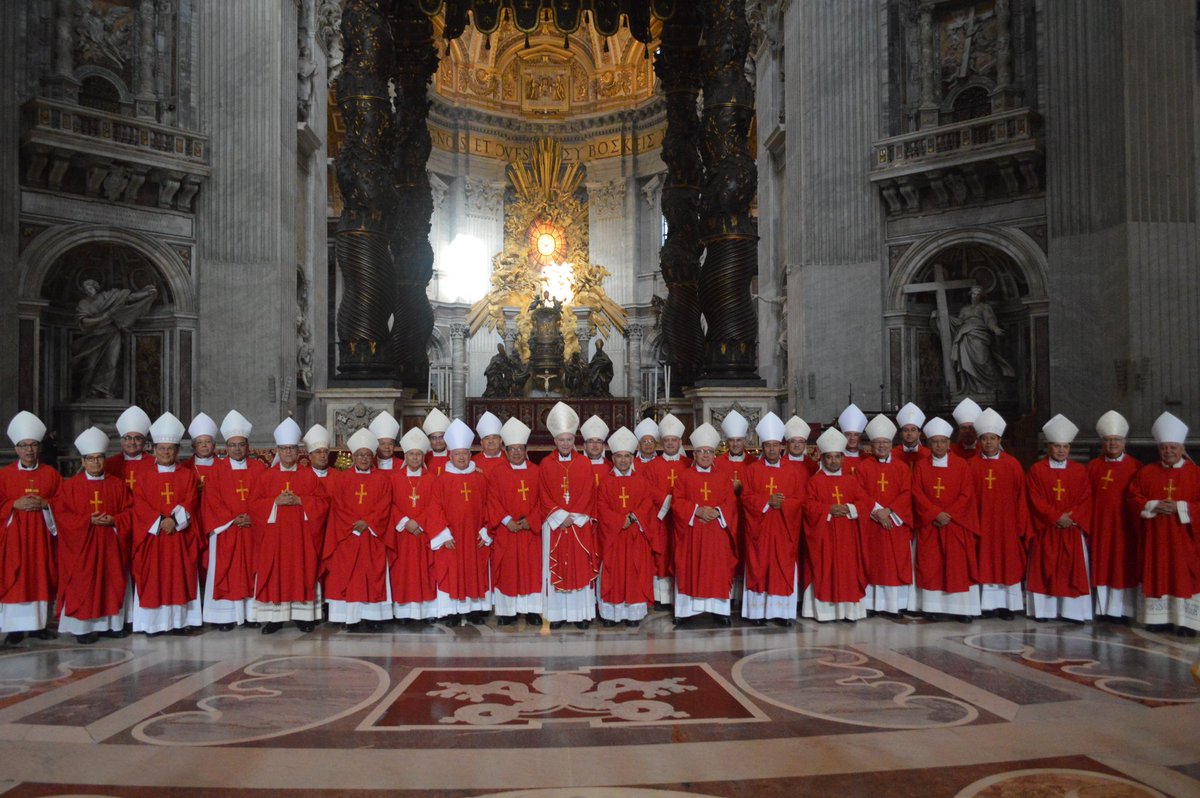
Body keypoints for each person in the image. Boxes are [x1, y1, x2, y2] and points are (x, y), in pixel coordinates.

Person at [54, 426, 132, 643]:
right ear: (83, 461)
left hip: (110, 544)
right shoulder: (71, 486)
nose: (96, 462)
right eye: (91, 459)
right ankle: (83, 629)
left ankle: (111, 625)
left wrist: (115, 520)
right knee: (84, 583)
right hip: (82, 547)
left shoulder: (117, 485)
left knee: (111, 582)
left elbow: (130, 511)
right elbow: (61, 515)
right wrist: (86, 520)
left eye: (99, 458)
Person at [250, 418, 329, 634]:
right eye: (284, 449)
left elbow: (323, 503)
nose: (288, 452)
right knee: (276, 572)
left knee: (301, 570)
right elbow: (254, 505)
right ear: (277, 450)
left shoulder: (308, 475)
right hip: (274, 540)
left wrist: (301, 500)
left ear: (298, 451)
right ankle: (275, 619)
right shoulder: (266, 477)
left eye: (292, 448)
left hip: (301, 539)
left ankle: (303, 618)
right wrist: (274, 502)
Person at [130, 413, 202, 635]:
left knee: (180, 576)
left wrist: (174, 520)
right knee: (154, 577)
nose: (166, 453)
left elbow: (191, 500)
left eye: (170, 449)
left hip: (179, 537)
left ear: (177, 451)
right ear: (154, 450)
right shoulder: (144, 476)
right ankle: (153, 624)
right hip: (154, 538)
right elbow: (140, 504)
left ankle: (179, 622)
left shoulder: (187, 475)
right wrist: (162, 520)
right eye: (162, 449)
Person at [1129, 412, 1199, 637]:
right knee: (1157, 571)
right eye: (1164, 447)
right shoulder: (1146, 472)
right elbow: (1132, 498)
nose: (1168, 451)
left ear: (1182, 448)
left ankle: (1186, 623)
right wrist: (1153, 505)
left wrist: (1180, 507)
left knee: (1183, 576)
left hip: (1184, 538)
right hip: (1156, 537)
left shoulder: (1195, 474)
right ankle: (1158, 620)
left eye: (1173, 447)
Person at [322, 428, 394, 632]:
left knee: (373, 573)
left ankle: (373, 617)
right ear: (353, 457)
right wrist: (355, 524)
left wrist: (368, 522)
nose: (363, 458)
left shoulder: (382, 479)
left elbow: (385, 504)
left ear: (373, 457)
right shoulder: (342, 479)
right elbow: (338, 506)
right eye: (360, 455)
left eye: (367, 455)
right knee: (348, 574)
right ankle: (349, 618)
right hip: (348, 535)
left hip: (372, 535)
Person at [911, 416, 980, 623]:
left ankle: (962, 609)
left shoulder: (961, 465)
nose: (939, 445)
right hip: (931, 525)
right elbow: (917, 492)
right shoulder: (921, 466)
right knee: (931, 566)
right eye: (935, 442)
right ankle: (932, 608)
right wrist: (935, 513)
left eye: (942, 441)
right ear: (928, 443)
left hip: (955, 524)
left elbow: (967, 493)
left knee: (956, 566)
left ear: (949, 443)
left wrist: (949, 514)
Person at [1025, 414, 1093, 623]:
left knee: (1071, 570)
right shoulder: (1037, 470)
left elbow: (1086, 498)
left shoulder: (1079, 471)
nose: (1061, 450)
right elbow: (1034, 498)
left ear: (1069, 448)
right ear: (1049, 447)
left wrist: (1072, 517)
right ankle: (1044, 612)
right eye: (1056, 446)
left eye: (1065, 446)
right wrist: (1055, 517)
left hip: (1071, 529)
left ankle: (1073, 612)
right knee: (1044, 567)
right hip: (1047, 529)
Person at [0, 411, 61, 645]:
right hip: (14, 539)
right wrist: (13, 504)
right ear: (16, 449)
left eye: (33, 445)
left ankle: (39, 626)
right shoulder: (4, 475)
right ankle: (15, 629)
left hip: (41, 537)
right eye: (24, 446)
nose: (29, 450)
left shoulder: (50, 474)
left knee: (41, 576)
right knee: (17, 579)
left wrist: (47, 504)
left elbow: (63, 503)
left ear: (39, 447)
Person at [202, 410, 265, 630]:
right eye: (232, 445)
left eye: (241, 445)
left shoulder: (259, 469)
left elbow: (265, 497)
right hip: (226, 531)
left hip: (253, 530)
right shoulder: (216, 471)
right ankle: (225, 617)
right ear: (225, 447)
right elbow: (211, 501)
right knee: (227, 570)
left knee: (252, 569)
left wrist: (252, 516)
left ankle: (252, 615)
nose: (237, 449)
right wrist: (232, 519)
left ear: (248, 446)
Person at [538, 402, 600, 629]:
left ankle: (580, 615)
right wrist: (559, 516)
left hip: (578, 525)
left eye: (569, 439)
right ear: (555, 441)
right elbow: (543, 494)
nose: (565, 443)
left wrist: (572, 516)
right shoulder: (546, 464)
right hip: (555, 525)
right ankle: (557, 615)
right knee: (557, 568)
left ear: (575, 440)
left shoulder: (584, 463)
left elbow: (589, 493)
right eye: (561, 439)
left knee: (579, 568)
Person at [740, 412, 805, 626]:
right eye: (768, 445)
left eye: (775, 445)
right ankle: (757, 613)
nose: (772, 449)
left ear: (781, 447)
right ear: (762, 447)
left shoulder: (792, 471)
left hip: (784, 530)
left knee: (782, 566)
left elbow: (800, 499)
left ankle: (782, 613)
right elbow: (746, 498)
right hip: (760, 530)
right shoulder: (752, 470)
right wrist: (767, 501)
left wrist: (783, 504)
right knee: (759, 565)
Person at [671, 423, 738, 627]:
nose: (705, 455)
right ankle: (686, 611)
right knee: (690, 567)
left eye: (709, 451)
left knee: (717, 569)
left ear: (714, 454)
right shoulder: (684, 476)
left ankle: (719, 611)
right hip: (693, 531)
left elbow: (730, 502)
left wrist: (717, 511)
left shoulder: (723, 477)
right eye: (701, 451)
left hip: (717, 531)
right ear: (695, 454)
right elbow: (677, 502)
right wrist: (697, 510)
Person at [802, 427, 869, 622]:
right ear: (822, 458)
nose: (833, 461)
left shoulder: (851, 481)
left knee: (848, 571)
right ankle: (825, 613)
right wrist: (828, 509)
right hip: (824, 536)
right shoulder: (815, 481)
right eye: (829, 457)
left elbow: (864, 503)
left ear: (843, 458)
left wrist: (849, 508)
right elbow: (808, 506)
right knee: (825, 569)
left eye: (837, 457)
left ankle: (849, 612)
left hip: (848, 537)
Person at [429, 419, 492, 625]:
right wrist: (443, 535)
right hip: (452, 537)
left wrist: (485, 531)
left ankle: (474, 611)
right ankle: (452, 612)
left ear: (470, 455)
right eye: (457, 454)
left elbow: (489, 505)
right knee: (452, 570)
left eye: (465, 453)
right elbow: (434, 509)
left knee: (475, 570)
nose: (462, 457)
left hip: (475, 536)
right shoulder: (442, 480)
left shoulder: (480, 479)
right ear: (451, 456)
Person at [968, 408, 1029, 620]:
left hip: (1006, 526)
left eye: (992, 438)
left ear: (999, 440)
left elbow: (1021, 497)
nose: (988, 442)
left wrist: (1019, 525)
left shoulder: (1012, 465)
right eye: (984, 438)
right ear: (979, 441)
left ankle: (1006, 606)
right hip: (981, 523)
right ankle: (985, 605)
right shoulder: (971, 465)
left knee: (1006, 563)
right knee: (983, 561)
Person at [595, 427, 658, 627]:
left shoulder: (641, 481)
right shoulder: (606, 482)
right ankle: (611, 614)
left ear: (632, 458)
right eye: (619, 456)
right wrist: (619, 520)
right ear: (613, 458)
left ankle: (633, 614)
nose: (623, 460)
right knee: (613, 572)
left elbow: (647, 503)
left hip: (635, 535)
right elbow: (601, 507)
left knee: (635, 571)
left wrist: (632, 517)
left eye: (627, 456)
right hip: (614, 537)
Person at [486, 417, 543, 626]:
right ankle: (508, 612)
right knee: (508, 571)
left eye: (520, 448)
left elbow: (544, 501)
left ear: (526, 450)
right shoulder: (497, 473)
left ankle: (532, 611)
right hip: (507, 531)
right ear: (506, 450)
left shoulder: (537, 471)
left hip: (530, 532)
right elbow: (491, 499)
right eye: (512, 449)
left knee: (531, 570)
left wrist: (531, 520)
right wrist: (506, 520)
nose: (516, 452)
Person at [856, 413, 914, 617]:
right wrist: (877, 512)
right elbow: (859, 493)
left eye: (885, 442)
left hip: (894, 523)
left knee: (894, 563)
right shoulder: (863, 467)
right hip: (873, 523)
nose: (881, 446)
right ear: (871, 445)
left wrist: (889, 511)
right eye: (877, 442)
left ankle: (894, 605)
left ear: (891, 444)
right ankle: (872, 604)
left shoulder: (901, 467)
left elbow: (906, 492)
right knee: (874, 562)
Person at [1087, 410, 1140, 623]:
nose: (1112, 444)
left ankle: (1124, 611)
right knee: (1102, 565)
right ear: (1102, 443)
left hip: (1124, 527)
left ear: (1124, 443)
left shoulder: (1135, 467)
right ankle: (1103, 609)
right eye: (1108, 440)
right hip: (1100, 526)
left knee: (1122, 566)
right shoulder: (1093, 466)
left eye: (1116, 440)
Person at [387, 427, 440, 625]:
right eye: (411, 454)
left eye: (418, 454)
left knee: (425, 571)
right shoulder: (394, 478)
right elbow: (389, 504)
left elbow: (436, 505)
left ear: (423, 456)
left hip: (424, 534)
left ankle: (426, 612)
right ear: (405, 456)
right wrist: (405, 522)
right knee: (403, 572)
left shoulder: (432, 478)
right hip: (402, 534)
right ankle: (403, 613)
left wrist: (420, 522)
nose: (415, 458)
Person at [70, 279, 157, 399]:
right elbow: (84, 322)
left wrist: (146, 293)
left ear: (96, 287)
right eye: (85, 290)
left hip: (113, 333)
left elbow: (129, 298)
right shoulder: (83, 303)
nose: (88, 291)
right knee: (90, 365)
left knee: (111, 362)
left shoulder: (109, 296)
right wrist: (103, 318)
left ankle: (103, 389)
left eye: (90, 288)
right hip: (94, 336)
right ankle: (85, 391)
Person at [643, 413, 690, 609]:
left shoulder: (688, 465)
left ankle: (681, 593)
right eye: (667, 440)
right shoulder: (652, 466)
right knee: (662, 553)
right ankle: (662, 597)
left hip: (684, 520)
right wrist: (670, 501)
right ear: (662, 442)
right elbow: (647, 489)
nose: (670, 443)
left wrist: (680, 504)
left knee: (681, 553)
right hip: (660, 518)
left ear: (680, 442)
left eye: (674, 440)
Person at [946, 285, 1014, 396]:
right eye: (974, 293)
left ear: (981, 296)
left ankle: (991, 387)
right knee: (967, 362)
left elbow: (990, 320)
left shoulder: (984, 307)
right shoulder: (964, 309)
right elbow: (959, 322)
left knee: (982, 360)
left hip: (979, 335)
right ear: (970, 294)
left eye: (978, 294)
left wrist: (995, 329)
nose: (975, 296)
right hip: (965, 336)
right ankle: (974, 387)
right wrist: (944, 317)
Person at [105, 405, 152, 492]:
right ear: (121, 441)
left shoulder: (153, 463)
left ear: (144, 441)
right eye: (128, 438)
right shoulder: (109, 464)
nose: (132, 442)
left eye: (137, 438)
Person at [892, 402, 931, 470]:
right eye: (906, 430)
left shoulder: (927, 453)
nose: (909, 433)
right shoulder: (893, 453)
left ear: (919, 433)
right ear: (901, 434)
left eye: (913, 430)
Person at [837, 404, 869, 475]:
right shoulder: (836, 458)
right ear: (843, 436)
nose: (852, 438)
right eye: (848, 434)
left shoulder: (867, 458)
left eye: (856, 435)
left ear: (860, 437)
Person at [581, 415, 610, 488]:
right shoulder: (578, 467)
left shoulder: (611, 468)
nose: (595, 445)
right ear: (585, 446)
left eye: (598, 441)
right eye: (591, 441)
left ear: (603, 446)